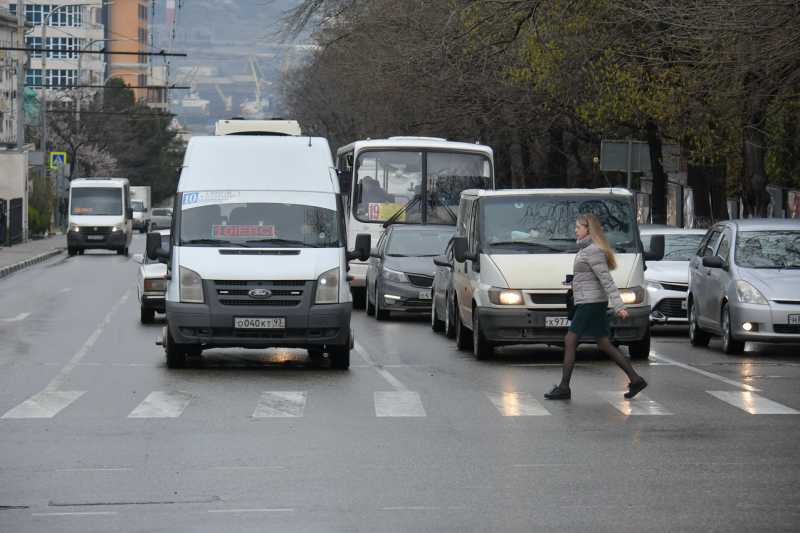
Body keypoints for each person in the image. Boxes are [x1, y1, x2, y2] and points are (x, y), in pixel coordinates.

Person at [544, 213, 648, 401]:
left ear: (588, 229)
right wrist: (574, 282)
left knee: (570, 340)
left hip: (590, 304)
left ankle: (564, 387)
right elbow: (591, 276)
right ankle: (635, 379)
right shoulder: (586, 250)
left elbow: (606, 279)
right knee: (603, 343)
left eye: (578, 227)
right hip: (590, 301)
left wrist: (619, 306)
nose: (575, 230)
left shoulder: (592, 251)